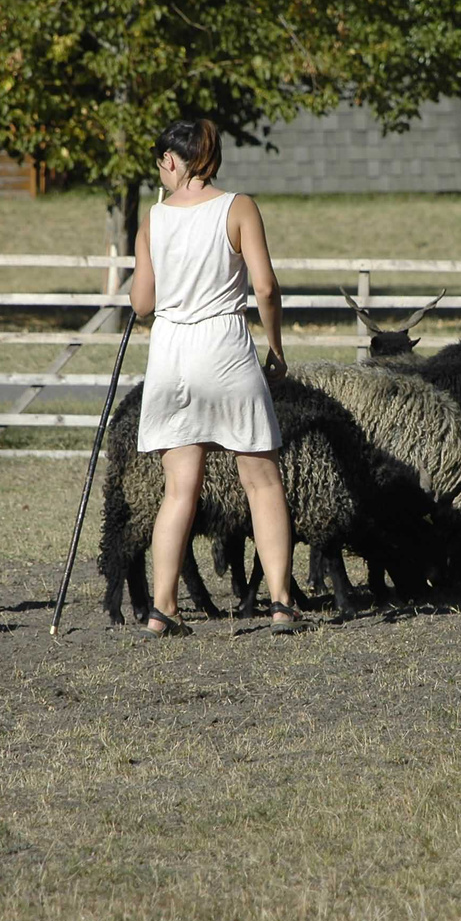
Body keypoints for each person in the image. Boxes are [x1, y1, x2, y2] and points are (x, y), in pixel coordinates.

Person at [130, 118, 307, 639]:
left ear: (171, 160)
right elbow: (267, 288)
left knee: (179, 489)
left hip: (170, 355)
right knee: (261, 480)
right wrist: (275, 346)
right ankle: (279, 602)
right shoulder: (238, 207)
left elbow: (142, 304)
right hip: (224, 348)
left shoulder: (153, 219)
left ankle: (162, 609)